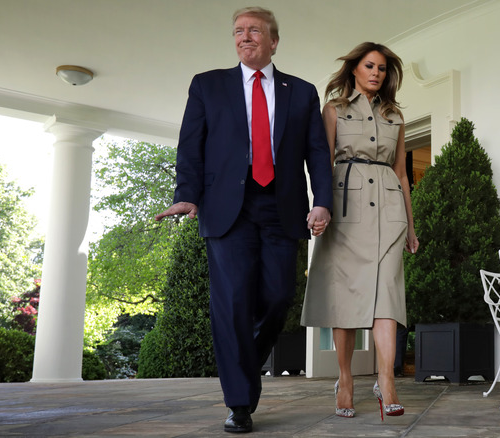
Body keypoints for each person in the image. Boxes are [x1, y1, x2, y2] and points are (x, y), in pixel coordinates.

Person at [155, 6, 332, 434]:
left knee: (278, 298)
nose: (244, 37)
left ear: (273, 41)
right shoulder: (208, 85)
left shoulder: (302, 91)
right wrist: (187, 196)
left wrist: (322, 201)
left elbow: (317, 154)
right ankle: (240, 403)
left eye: (254, 30)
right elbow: (190, 146)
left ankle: (242, 367)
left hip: (281, 206)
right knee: (232, 305)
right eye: (238, 31)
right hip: (226, 209)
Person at [300, 42, 419, 421]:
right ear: (355, 69)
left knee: (387, 297)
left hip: (389, 212)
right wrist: (320, 207)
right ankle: (346, 379)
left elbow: (401, 173)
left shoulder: (394, 115)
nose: (376, 73)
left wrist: (411, 226)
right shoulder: (334, 109)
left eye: (382, 68)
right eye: (370, 66)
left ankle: (387, 382)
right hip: (345, 212)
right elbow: (321, 163)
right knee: (345, 300)